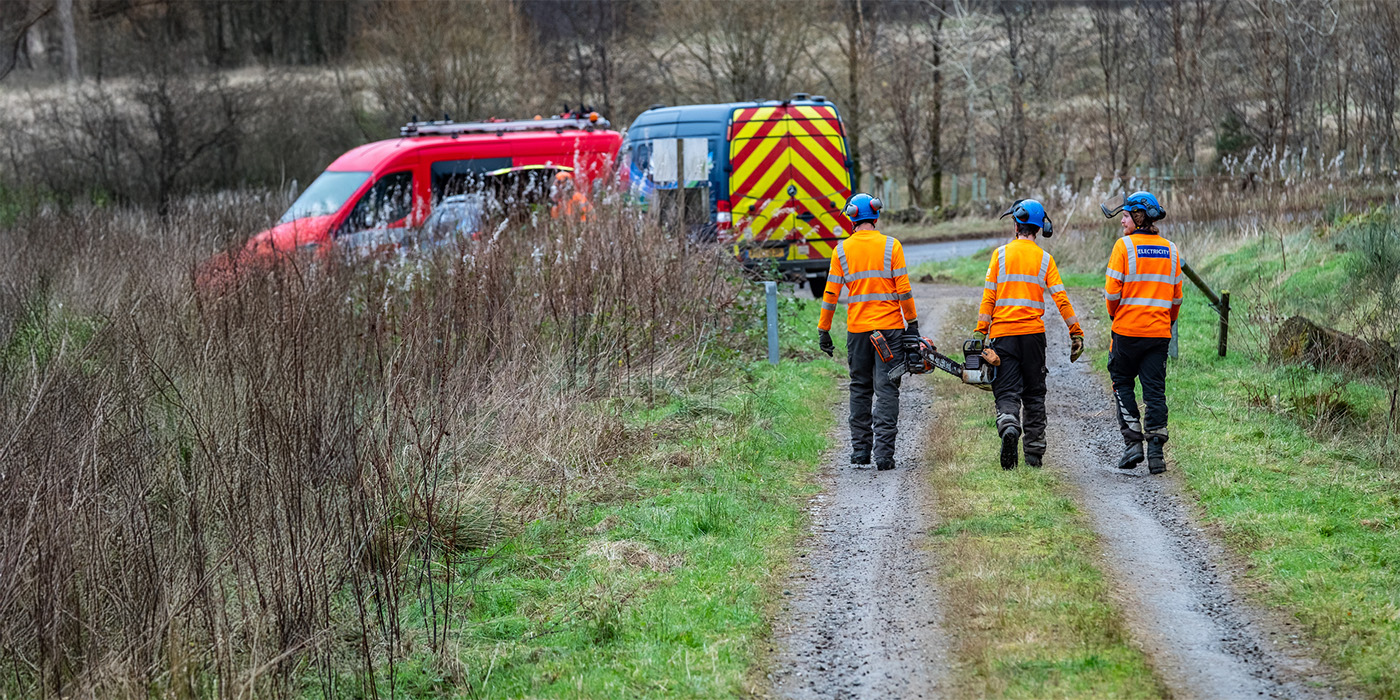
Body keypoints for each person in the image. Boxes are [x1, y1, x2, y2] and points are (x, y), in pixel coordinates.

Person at [975, 199, 1084, 470]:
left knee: (1007, 389)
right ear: (1038, 228)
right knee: (1034, 395)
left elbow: (989, 297)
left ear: (1016, 224)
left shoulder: (999, 256)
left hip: (1003, 337)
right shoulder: (1045, 259)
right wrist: (1075, 332)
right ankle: (1034, 454)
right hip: (1034, 338)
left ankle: (1009, 424)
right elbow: (1061, 298)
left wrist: (980, 332)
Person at [816, 193, 921, 471]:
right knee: (887, 389)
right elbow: (904, 290)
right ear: (875, 216)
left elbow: (830, 294)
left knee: (860, 388)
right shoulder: (892, 246)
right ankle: (884, 456)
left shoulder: (841, 251)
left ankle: (860, 452)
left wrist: (823, 329)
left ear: (851, 217)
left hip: (858, 332)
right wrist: (912, 323)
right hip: (890, 332)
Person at [1100, 190, 1183, 475]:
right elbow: (1176, 299)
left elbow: (1112, 293)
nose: (1122, 221)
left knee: (1121, 381)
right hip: (1159, 334)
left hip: (1126, 331)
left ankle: (1133, 443)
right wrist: (1166, 323)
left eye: (1125, 216)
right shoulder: (1171, 250)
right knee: (1155, 391)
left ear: (1138, 217)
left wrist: (1116, 315)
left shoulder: (1123, 248)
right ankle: (1156, 454)